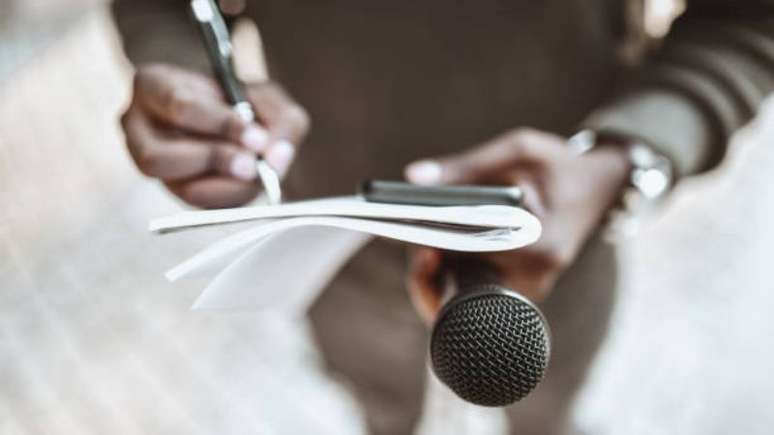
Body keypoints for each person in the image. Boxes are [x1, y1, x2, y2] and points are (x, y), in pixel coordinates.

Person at [111, 1, 774, 434]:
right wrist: (189, 82)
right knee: (383, 411)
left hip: (551, 266)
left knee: (546, 415)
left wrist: (629, 155)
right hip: (340, 258)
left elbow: (748, 17)